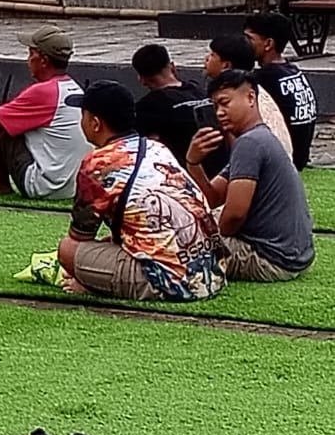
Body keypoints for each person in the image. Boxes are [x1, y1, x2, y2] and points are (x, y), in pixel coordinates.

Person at [57, 81, 221, 302]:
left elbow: (80, 236)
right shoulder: (157, 148)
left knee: (67, 249)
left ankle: (97, 287)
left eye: (83, 115)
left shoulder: (98, 164)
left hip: (173, 283)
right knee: (110, 240)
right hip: (213, 272)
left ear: (95, 123)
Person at [187, 70, 315, 282]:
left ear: (250, 98)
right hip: (292, 256)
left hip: (269, 259)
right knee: (195, 223)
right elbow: (211, 199)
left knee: (180, 244)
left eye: (225, 103)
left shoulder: (250, 143)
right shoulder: (256, 139)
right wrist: (194, 163)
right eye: (215, 106)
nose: (219, 113)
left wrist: (213, 236)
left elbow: (234, 216)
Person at [0, 25, 92, 203]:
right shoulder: (72, 87)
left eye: (31, 54)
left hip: (47, 187)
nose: (28, 60)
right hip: (74, 187)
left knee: (1, 127)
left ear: (44, 61)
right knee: (10, 121)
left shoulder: (44, 92)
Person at [132, 44, 225, 177]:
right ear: (173, 67)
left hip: (190, 176)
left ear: (141, 79)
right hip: (223, 170)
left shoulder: (148, 106)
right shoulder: (198, 90)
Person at [244, 13, 318, 170]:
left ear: (268, 43)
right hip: (299, 158)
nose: (244, 44)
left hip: (283, 161)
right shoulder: (292, 70)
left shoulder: (265, 78)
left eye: (249, 39)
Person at [207, 34, 295, 159]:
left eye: (212, 55)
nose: (206, 59)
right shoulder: (257, 90)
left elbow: (236, 158)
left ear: (226, 65)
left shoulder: (238, 101)